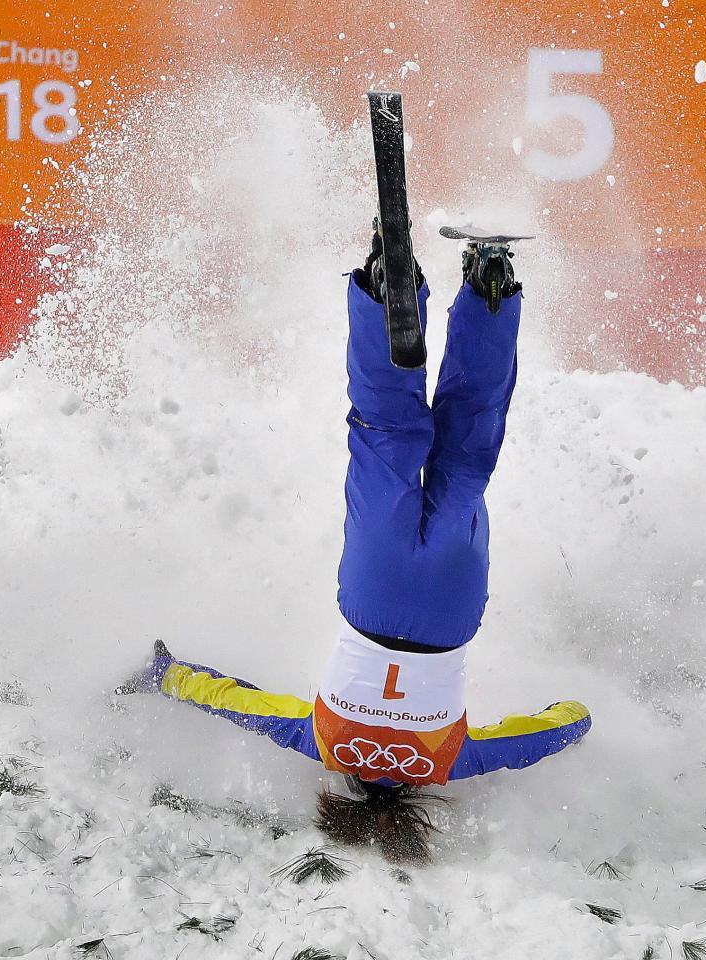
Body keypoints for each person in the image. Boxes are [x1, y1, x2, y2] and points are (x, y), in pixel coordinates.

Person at [116, 225, 591, 862]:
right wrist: (165, 675)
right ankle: (381, 287)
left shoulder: (448, 762)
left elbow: (546, 732)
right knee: (384, 437)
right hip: (373, 592)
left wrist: (577, 714)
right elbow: (237, 703)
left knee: (468, 453)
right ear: (341, 793)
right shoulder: (322, 741)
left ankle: (490, 284)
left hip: (452, 605)